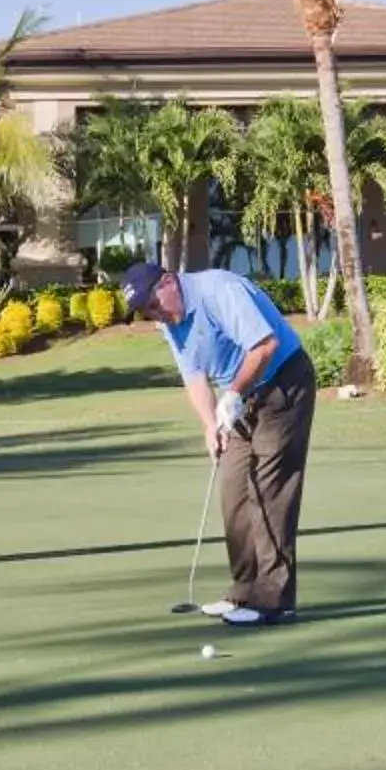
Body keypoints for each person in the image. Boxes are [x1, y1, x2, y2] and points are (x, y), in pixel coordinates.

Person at [120, 258, 315, 626]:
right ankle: (244, 590)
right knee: (234, 490)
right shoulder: (170, 322)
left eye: (154, 304)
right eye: (146, 312)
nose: (154, 314)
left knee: (268, 491)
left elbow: (265, 345)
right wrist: (211, 424)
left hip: (284, 384)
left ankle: (274, 599)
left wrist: (234, 395)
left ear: (168, 283)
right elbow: (193, 375)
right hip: (240, 399)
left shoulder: (219, 290)